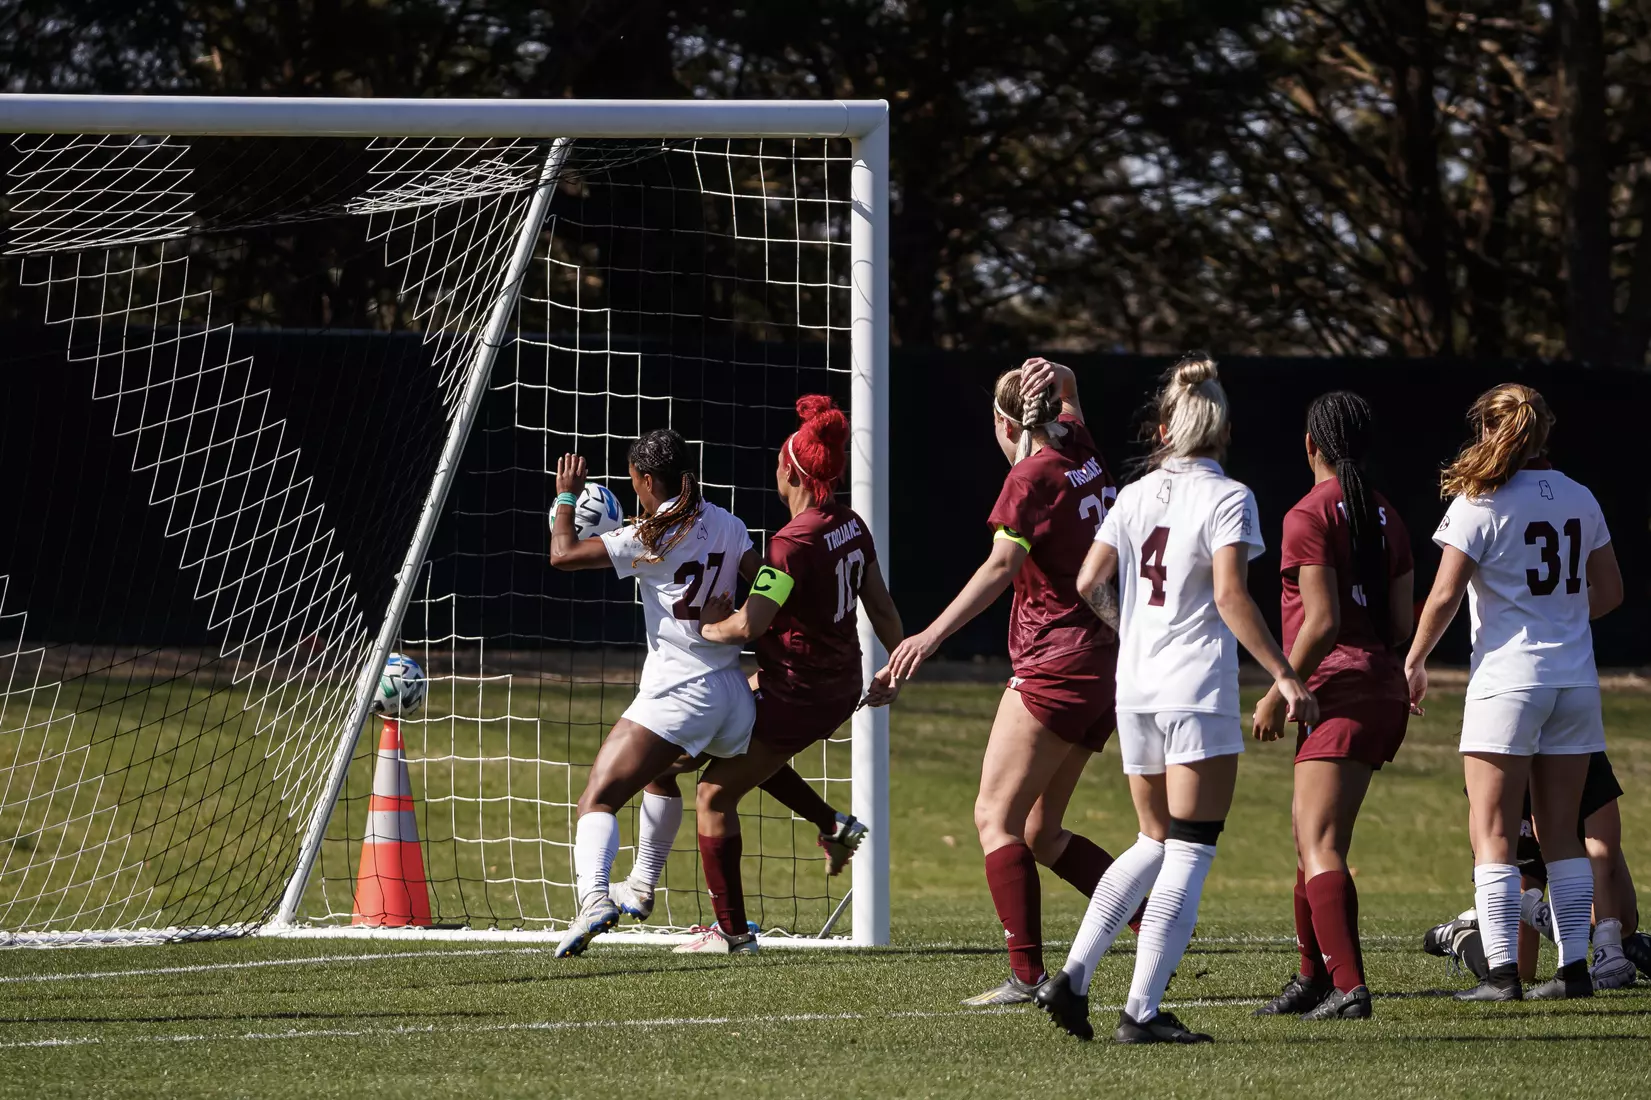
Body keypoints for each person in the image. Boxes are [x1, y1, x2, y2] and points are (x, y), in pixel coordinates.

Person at [1034, 353, 1319, 1043]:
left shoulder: (1133, 494)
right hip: (1193, 687)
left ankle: (1071, 977)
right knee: (1189, 848)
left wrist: (1132, 629)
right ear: (1220, 430)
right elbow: (1228, 594)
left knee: (1152, 838)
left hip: (1132, 685)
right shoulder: (1228, 496)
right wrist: (1283, 675)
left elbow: (1087, 581)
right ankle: (1139, 1010)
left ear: (1165, 427)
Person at [880, 357, 1129, 1007]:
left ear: (1003, 421)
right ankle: (1158, 924)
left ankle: (1025, 976)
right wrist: (1061, 372)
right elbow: (1071, 394)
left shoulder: (1030, 475)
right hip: (1105, 663)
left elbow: (999, 566)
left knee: (995, 817)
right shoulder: (1079, 447)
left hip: (1056, 663)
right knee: (1043, 831)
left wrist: (926, 637)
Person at [1405, 383, 1623, 1001]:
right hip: (1575, 681)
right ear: (1544, 430)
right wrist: (1558, 619)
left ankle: (1501, 974)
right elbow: (1610, 595)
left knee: (1494, 830)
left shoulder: (1480, 501)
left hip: (1509, 683)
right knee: (1561, 833)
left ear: (1487, 430)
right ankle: (1573, 971)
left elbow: (1444, 596)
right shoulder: (1581, 496)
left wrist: (1415, 660)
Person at [671, 396, 904, 954]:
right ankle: (833, 824)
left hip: (799, 690)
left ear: (791, 471)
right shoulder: (850, 525)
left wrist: (704, 626)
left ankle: (731, 934)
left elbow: (749, 626)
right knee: (730, 746)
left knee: (707, 791)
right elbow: (883, 608)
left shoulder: (791, 543)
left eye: (779, 461)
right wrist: (897, 667)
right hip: (836, 684)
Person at [546, 428, 759, 958]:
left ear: (644, 480)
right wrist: (733, 623)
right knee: (662, 774)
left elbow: (563, 554)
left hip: (681, 693)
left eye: (634, 479)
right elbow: (765, 585)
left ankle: (595, 897)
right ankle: (641, 885)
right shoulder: (730, 524)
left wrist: (566, 496)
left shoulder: (649, 538)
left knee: (598, 796)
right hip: (732, 696)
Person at [1250, 392, 1414, 1021]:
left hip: (1338, 691)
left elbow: (1320, 621)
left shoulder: (1307, 514)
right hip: (1381, 690)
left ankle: (1349, 988)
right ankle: (1312, 978)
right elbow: (1400, 623)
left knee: (1318, 842)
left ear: (1311, 444)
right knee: (1313, 840)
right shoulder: (1389, 515)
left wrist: (1277, 690)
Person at [1423, 750, 1646, 989]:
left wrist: (1608, 938)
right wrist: (1529, 909)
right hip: (1520, 845)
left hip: (1571, 843)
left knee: (1622, 923)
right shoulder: (1495, 755)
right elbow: (1486, 863)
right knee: (1514, 966)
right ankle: (1462, 934)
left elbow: (1604, 858)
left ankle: (1601, 946)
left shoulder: (1583, 751)